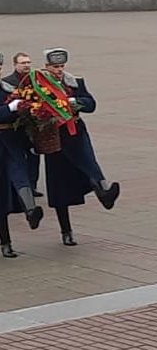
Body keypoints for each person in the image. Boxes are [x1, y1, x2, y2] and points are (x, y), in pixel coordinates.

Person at [38, 49, 121, 246]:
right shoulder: (39, 85)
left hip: (75, 132)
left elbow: (91, 104)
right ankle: (66, 231)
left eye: (61, 66)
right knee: (59, 185)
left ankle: (105, 194)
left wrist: (75, 102)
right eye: (55, 67)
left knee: (89, 163)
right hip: (54, 136)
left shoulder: (74, 82)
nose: (59, 70)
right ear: (47, 67)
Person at [3, 52, 43, 197]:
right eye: (23, 63)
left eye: (28, 62)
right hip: (15, 127)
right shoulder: (7, 82)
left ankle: (32, 186)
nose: (26, 65)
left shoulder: (36, 80)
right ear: (15, 65)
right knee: (17, 159)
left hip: (32, 126)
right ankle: (19, 188)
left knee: (34, 155)